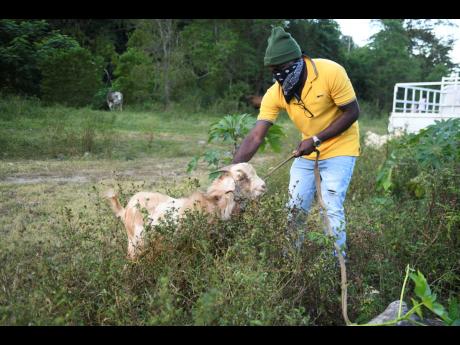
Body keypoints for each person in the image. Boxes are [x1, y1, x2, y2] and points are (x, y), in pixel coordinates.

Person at [232, 27, 360, 256]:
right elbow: (255, 135)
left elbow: (352, 113)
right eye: (273, 72)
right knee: (295, 208)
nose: (278, 76)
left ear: (296, 62)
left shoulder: (331, 72)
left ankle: (337, 265)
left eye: (280, 69)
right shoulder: (277, 92)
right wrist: (233, 171)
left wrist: (317, 138)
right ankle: (291, 263)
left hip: (341, 147)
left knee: (330, 207)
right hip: (307, 152)